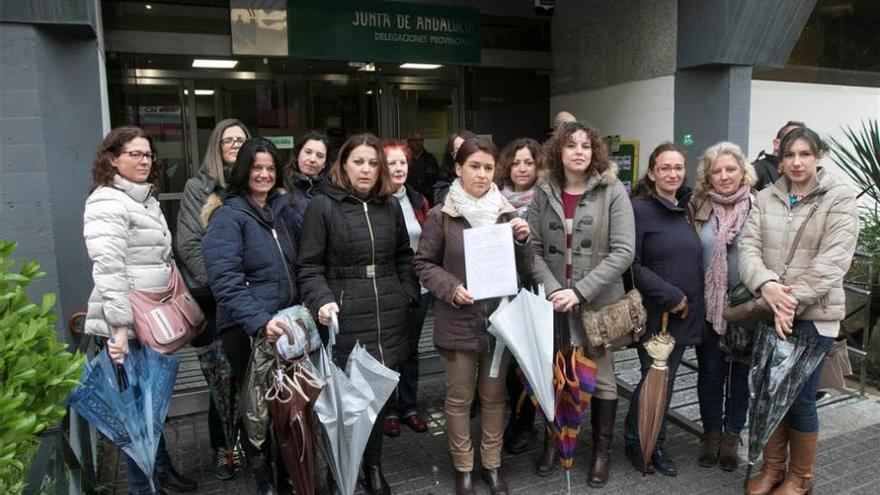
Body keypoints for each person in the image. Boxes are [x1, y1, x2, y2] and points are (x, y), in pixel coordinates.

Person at [298, 133, 420, 495]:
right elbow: (308, 266)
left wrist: (407, 294)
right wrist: (321, 299)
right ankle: (340, 471)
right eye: (358, 162)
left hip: (389, 315)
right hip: (346, 318)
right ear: (343, 165)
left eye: (372, 163)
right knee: (347, 404)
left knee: (378, 399)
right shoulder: (323, 206)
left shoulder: (390, 206)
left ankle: (373, 467)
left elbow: (403, 255)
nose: (366, 169)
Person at [740, 127, 858, 495]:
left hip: (816, 318)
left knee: (799, 398)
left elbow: (833, 262)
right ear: (780, 159)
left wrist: (788, 303)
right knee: (769, 392)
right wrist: (767, 287)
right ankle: (774, 468)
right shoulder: (765, 197)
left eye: (804, 154)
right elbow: (748, 248)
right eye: (789, 155)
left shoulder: (838, 198)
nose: (796, 162)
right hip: (771, 309)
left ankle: (800, 477)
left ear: (818, 156)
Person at [414, 137, 532, 495]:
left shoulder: (507, 213)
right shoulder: (442, 215)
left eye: (488, 168)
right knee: (459, 398)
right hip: (458, 321)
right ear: (458, 169)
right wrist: (450, 288)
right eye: (474, 167)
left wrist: (524, 241)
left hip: (498, 324)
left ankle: (492, 464)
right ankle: (464, 466)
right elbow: (423, 263)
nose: (481, 174)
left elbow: (523, 272)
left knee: (495, 397)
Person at [83, 126, 198, 495]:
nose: (144, 160)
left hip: (147, 321)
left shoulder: (142, 199)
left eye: (148, 154)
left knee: (152, 407)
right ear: (112, 158)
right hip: (128, 328)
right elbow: (109, 268)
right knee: (135, 418)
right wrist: (118, 329)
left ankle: (161, 471)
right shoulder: (107, 202)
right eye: (134, 154)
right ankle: (143, 487)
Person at [527, 122, 635, 486]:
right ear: (559, 151)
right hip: (553, 301)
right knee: (553, 375)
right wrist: (555, 289)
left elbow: (624, 251)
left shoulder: (612, 189)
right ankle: (553, 442)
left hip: (597, 303)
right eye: (570, 145)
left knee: (602, 379)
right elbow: (535, 249)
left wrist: (580, 291)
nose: (578, 151)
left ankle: (600, 452)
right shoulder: (543, 190)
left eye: (585, 146)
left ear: (594, 152)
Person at [202, 138, 299, 495]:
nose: (264, 174)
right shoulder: (228, 216)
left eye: (270, 168)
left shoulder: (279, 211)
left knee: (283, 406)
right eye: (256, 167)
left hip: (284, 325)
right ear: (243, 171)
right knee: (257, 410)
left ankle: (287, 472)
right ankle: (264, 480)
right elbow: (224, 282)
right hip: (249, 330)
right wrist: (259, 321)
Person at [623, 142, 705, 477]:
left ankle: (653, 443)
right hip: (658, 315)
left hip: (683, 315)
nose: (673, 173)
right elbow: (632, 263)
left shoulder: (686, 207)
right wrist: (670, 294)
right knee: (651, 382)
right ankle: (638, 443)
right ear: (652, 172)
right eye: (665, 168)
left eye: (678, 167)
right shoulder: (639, 209)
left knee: (666, 383)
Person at [175, 118, 249, 481]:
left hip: (254, 298)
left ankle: (252, 441)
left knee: (254, 373)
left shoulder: (257, 183)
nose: (234, 145)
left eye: (241, 140)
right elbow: (189, 245)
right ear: (216, 148)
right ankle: (225, 447)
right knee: (223, 379)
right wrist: (227, 284)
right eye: (228, 140)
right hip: (217, 300)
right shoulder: (197, 187)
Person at [689, 142, 757, 473]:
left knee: (740, 376)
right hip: (708, 307)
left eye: (730, 169)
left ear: (743, 171)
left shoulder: (758, 207)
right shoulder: (698, 207)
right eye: (716, 170)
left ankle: (732, 437)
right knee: (711, 374)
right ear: (708, 176)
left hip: (746, 309)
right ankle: (711, 435)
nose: (724, 176)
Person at [494, 137, 546, 454]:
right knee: (510, 364)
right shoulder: (494, 200)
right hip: (503, 292)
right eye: (516, 162)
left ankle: (532, 424)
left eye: (529, 162)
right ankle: (518, 419)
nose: (522, 168)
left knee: (533, 362)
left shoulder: (546, 200)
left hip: (538, 290)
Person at [380, 140, 432, 438]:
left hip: (419, 288)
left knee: (411, 350)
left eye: (402, 163)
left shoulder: (417, 200)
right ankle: (388, 410)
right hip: (386, 290)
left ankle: (409, 406)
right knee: (388, 352)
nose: (398, 168)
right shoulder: (372, 201)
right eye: (391, 163)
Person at [283, 130, 331, 239]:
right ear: (298, 154)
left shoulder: (332, 193)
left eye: (320, 156)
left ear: (325, 164)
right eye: (308, 152)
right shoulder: (281, 186)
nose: (312, 159)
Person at [752, 121, 805, 190]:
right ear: (776, 144)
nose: (798, 145)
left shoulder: (802, 172)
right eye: (793, 139)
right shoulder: (757, 169)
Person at [434, 129, 477, 205]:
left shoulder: (492, 188)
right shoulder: (444, 190)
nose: (463, 155)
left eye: (468, 150)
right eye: (458, 151)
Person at [406, 130, 440, 201]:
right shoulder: (404, 159)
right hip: (408, 197)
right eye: (415, 140)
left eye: (420, 140)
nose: (418, 142)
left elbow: (437, 178)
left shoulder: (430, 158)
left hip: (427, 198)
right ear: (409, 142)